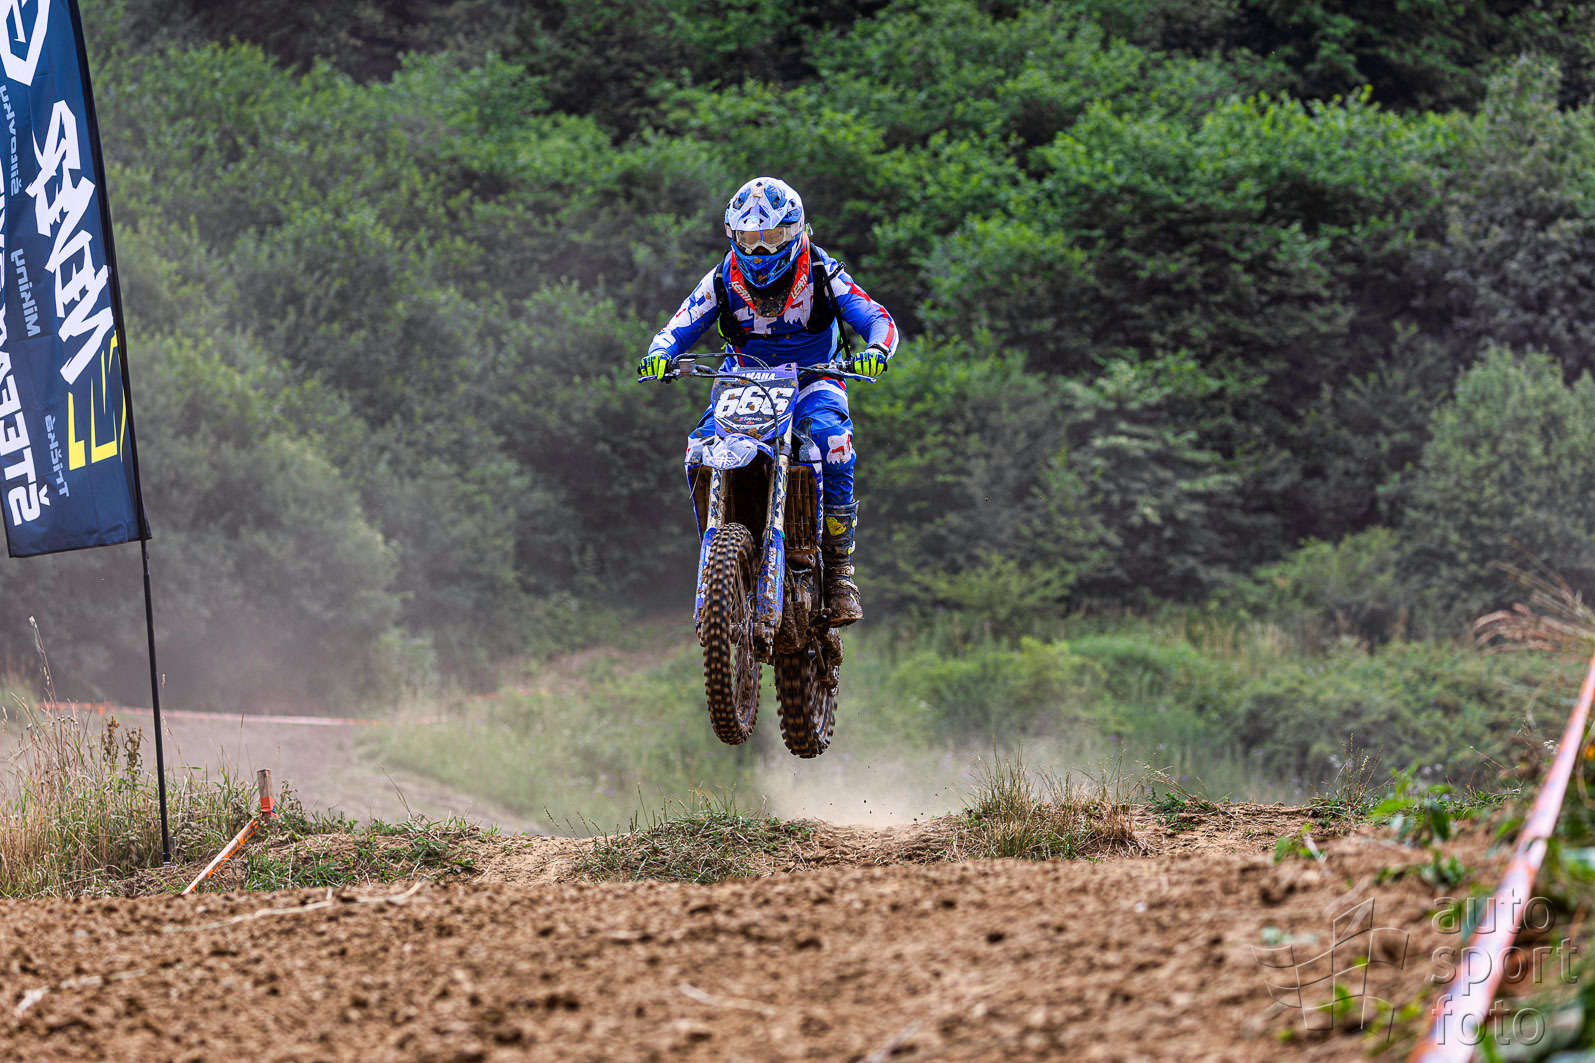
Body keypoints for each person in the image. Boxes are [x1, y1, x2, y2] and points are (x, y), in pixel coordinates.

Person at [639, 176, 898, 625]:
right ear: (732, 236)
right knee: (699, 449)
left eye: (772, 236)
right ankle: (719, 552)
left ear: (795, 231)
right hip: (741, 383)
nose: (759, 250)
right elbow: (679, 325)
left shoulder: (822, 272)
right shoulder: (723, 277)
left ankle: (839, 571)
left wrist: (876, 350)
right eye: (749, 238)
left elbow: (877, 318)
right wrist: (660, 354)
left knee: (832, 442)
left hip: (814, 379)